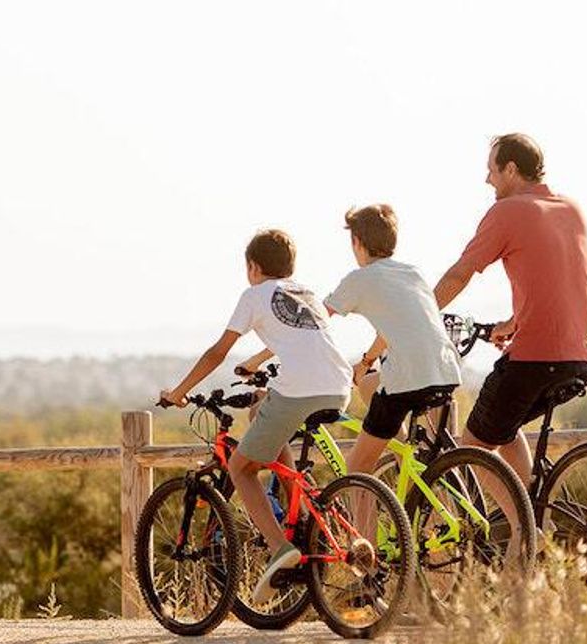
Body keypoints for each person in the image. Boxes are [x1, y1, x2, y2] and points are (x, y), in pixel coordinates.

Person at [160, 230, 352, 605]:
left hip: (299, 389)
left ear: (253, 267)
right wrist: (257, 369)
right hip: (338, 386)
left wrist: (180, 392)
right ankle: (295, 503)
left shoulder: (254, 294)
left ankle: (281, 548)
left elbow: (218, 352)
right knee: (261, 407)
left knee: (240, 468)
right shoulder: (306, 293)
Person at [433, 133, 587, 485]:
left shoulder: (507, 211)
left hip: (536, 358)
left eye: (491, 170)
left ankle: (525, 530)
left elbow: (460, 273)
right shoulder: (572, 208)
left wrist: (423, 314)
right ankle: (535, 520)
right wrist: (514, 321)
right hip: (581, 357)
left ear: (510, 169)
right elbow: (557, 279)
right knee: (503, 428)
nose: (487, 179)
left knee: (474, 448)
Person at [324, 204, 462, 476]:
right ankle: (404, 457)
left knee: (355, 471)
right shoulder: (413, 273)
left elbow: (317, 319)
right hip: (446, 372)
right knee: (367, 383)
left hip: (407, 380)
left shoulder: (359, 279)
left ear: (357, 242)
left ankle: (363, 520)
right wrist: (365, 362)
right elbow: (394, 331)